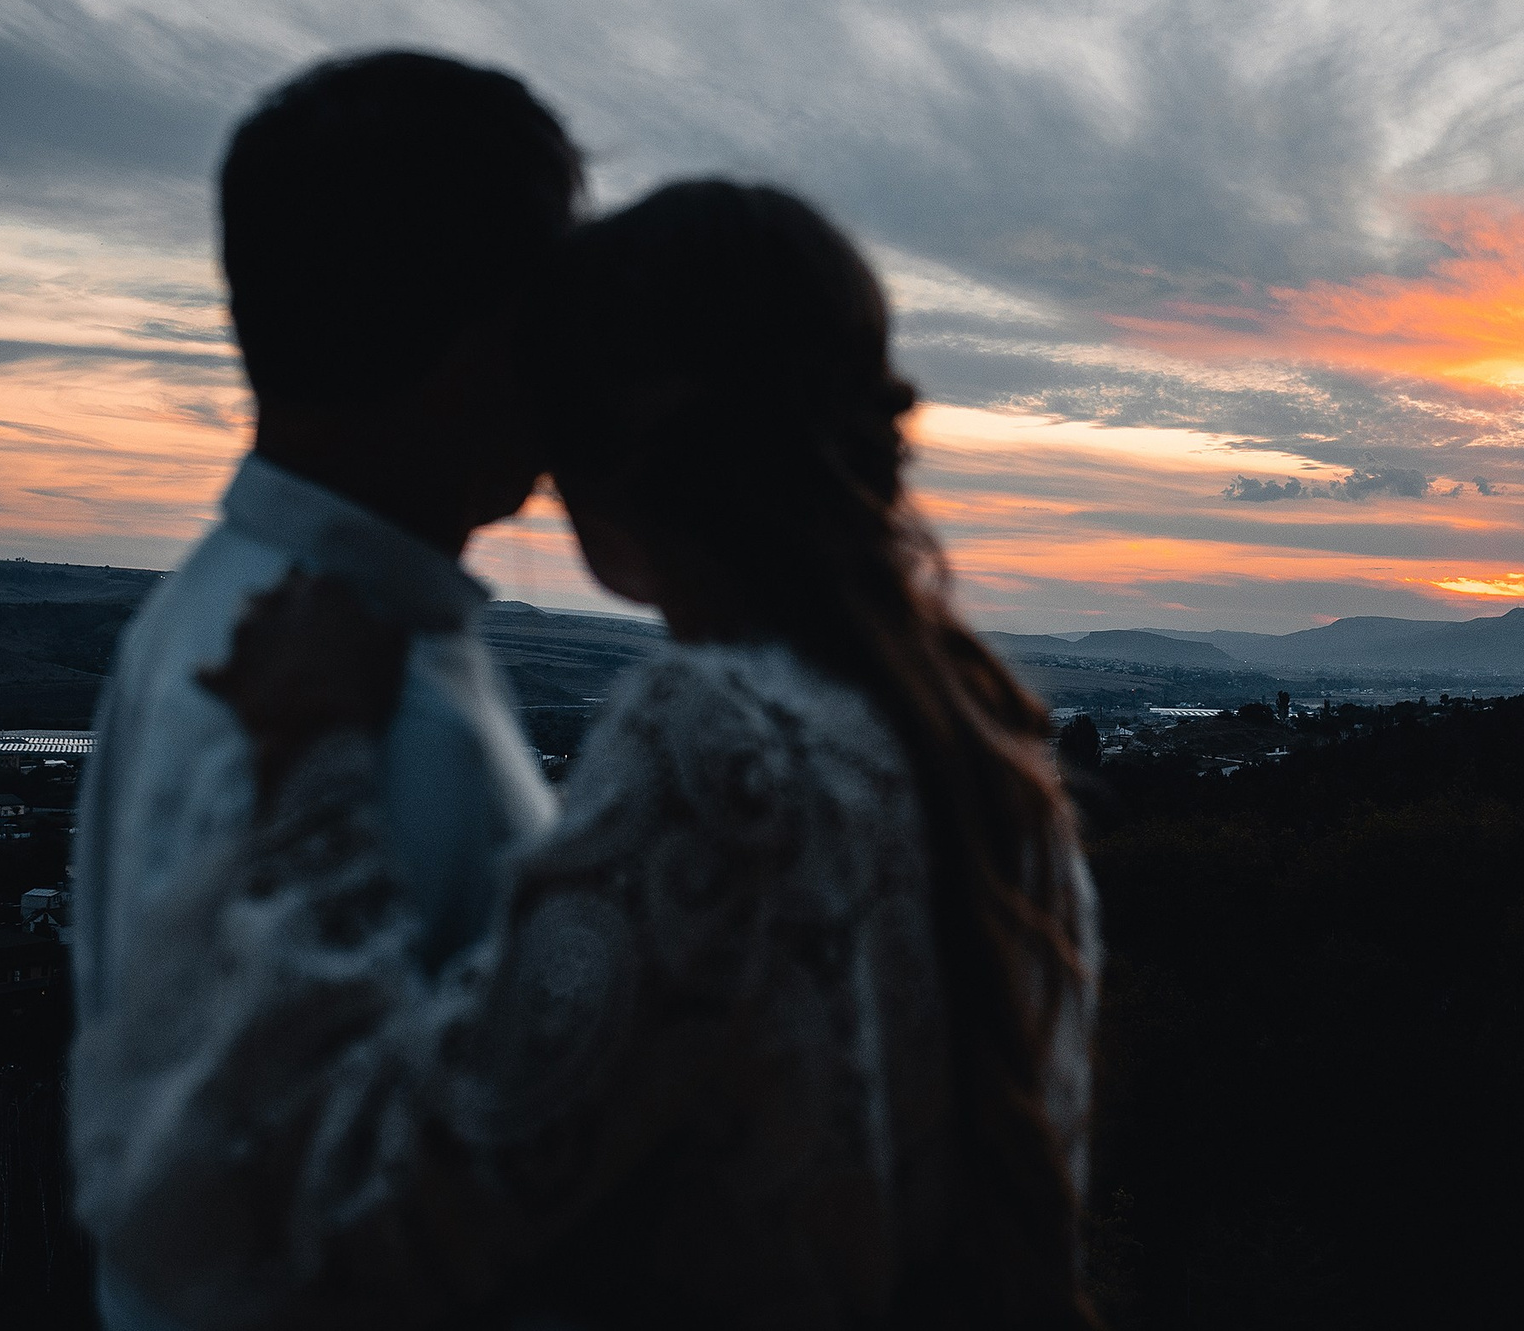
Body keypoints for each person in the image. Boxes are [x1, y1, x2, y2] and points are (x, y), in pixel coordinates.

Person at [71, 184, 1102, 1330]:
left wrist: (312, 768)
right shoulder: (996, 765)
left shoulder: (712, 743)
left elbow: (402, 1201)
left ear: (606, 464)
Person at [69, 51, 583, 1331]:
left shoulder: (220, 612)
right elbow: (282, 1228)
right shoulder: (355, 701)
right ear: (483, 348)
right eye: (559, 313)